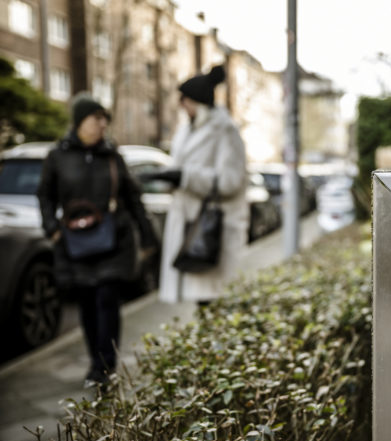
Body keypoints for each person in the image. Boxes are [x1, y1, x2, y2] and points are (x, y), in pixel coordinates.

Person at [37, 93, 158, 387]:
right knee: (88, 303)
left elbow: (132, 197)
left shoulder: (112, 155)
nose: (102, 124)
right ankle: (95, 363)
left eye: (105, 119)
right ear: (80, 121)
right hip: (75, 242)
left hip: (111, 240)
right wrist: (52, 228)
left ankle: (106, 366)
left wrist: (147, 233)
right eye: (97, 118)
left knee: (107, 299)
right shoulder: (58, 156)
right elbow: (45, 195)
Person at [152, 65, 249, 306]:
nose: (181, 105)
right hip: (189, 224)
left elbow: (230, 181)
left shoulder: (225, 131)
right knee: (202, 301)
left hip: (211, 228)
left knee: (214, 301)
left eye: (184, 100)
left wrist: (186, 177)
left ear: (197, 102)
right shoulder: (186, 131)